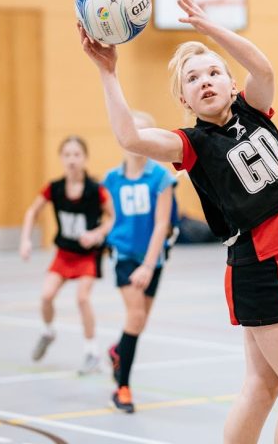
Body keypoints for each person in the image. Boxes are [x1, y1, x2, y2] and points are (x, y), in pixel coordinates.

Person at [78, 0, 278, 443]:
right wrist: (109, 73)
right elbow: (130, 138)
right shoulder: (193, 144)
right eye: (192, 80)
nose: (204, 81)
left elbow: (263, 65)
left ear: (232, 84)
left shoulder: (254, 109)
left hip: (272, 260)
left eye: (213, 72)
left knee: (263, 385)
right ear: (184, 102)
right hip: (262, 264)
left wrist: (210, 28)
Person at [102, 110, 178, 413]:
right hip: (123, 256)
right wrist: (96, 234)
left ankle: (118, 350)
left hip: (152, 260)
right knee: (135, 318)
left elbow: (162, 224)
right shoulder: (111, 179)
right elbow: (108, 219)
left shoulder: (160, 177)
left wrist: (149, 265)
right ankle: (122, 387)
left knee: (139, 321)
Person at [19, 135, 114, 374]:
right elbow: (32, 212)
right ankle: (48, 331)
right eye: (67, 155)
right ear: (61, 158)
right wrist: (25, 240)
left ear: (85, 158)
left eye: (77, 155)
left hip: (87, 255)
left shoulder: (97, 190)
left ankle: (91, 353)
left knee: (82, 299)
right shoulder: (54, 188)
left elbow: (113, 218)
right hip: (64, 253)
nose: (72, 160)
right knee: (46, 296)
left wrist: (97, 234)